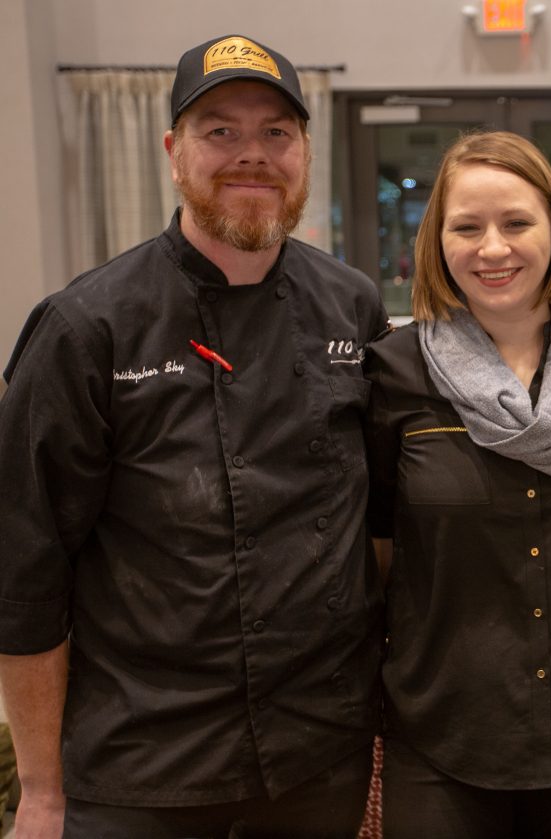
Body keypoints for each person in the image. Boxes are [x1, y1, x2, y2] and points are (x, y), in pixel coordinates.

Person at [0, 34, 387, 839]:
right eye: (221, 131)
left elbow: (377, 526)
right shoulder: (86, 327)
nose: (253, 154)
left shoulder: (352, 306)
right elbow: (25, 572)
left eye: (276, 132)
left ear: (305, 153)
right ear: (174, 153)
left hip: (318, 757)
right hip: (143, 764)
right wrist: (40, 789)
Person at [363, 130, 551, 839]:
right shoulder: (394, 371)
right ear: (438, 241)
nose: (493, 248)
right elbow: (377, 546)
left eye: (517, 222)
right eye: (467, 227)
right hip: (444, 733)